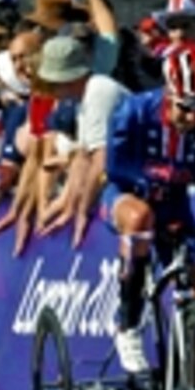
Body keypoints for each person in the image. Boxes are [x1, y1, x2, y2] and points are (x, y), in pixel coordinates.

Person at [102, 43, 195, 378]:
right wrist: (158, 176)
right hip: (128, 195)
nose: (194, 118)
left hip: (174, 204)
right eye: (186, 108)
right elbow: (115, 172)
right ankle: (127, 323)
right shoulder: (133, 111)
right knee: (140, 216)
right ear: (169, 93)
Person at [35, 36, 130, 246]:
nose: (51, 90)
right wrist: (69, 207)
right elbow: (82, 157)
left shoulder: (99, 92)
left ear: (66, 79)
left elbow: (99, 161)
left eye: (53, 83)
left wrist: (82, 213)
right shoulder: (84, 98)